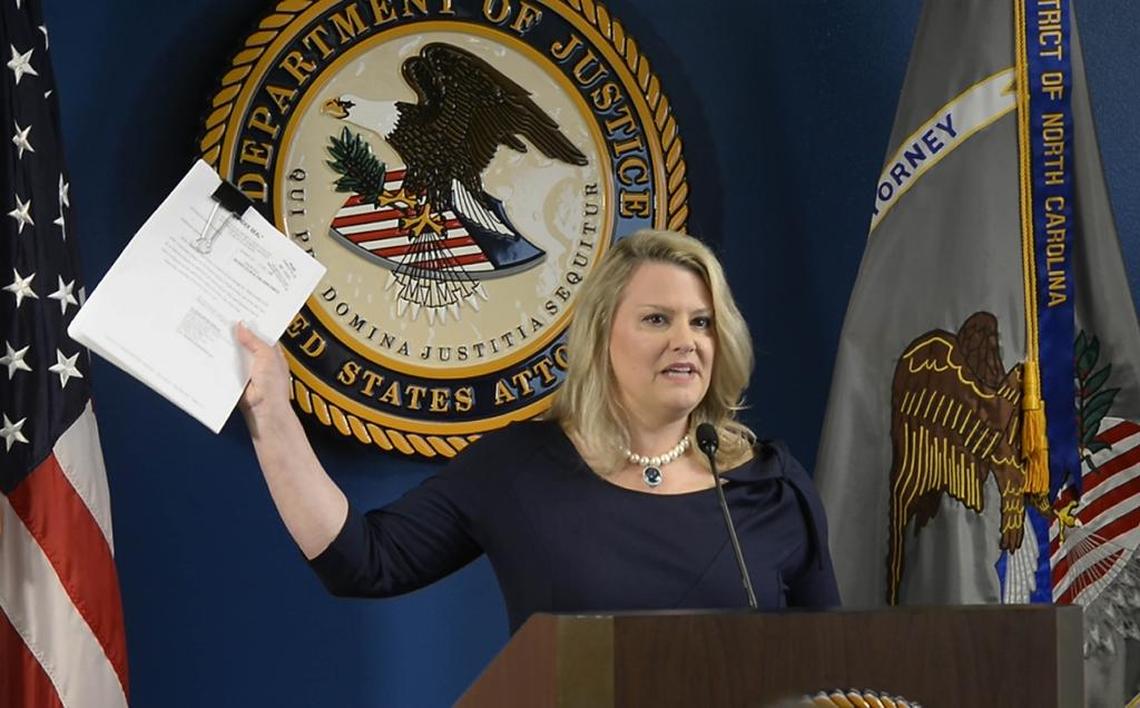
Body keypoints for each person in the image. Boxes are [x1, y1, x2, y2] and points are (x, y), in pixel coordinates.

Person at [236, 229, 840, 633]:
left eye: (702, 322)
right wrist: (273, 415)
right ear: (602, 339)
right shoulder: (520, 468)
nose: (686, 340)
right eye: (657, 319)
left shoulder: (771, 484)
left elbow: (830, 669)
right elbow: (363, 562)